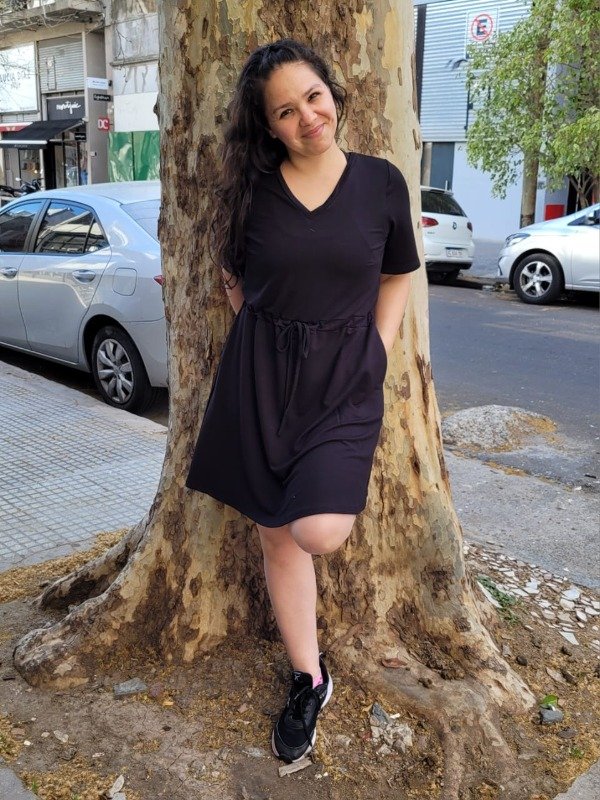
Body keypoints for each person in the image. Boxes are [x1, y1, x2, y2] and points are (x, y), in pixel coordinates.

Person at [186, 38, 420, 763]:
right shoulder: (253, 192)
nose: (307, 118)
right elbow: (233, 275)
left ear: (333, 93)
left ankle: (311, 671)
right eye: (285, 111)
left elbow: (397, 273)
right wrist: (258, 329)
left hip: (345, 379)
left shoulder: (381, 183)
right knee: (275, 534)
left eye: (313, 97)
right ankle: (308, 678)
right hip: (260, 378)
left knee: (317, 529)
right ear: (269, 126)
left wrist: (377, 350)